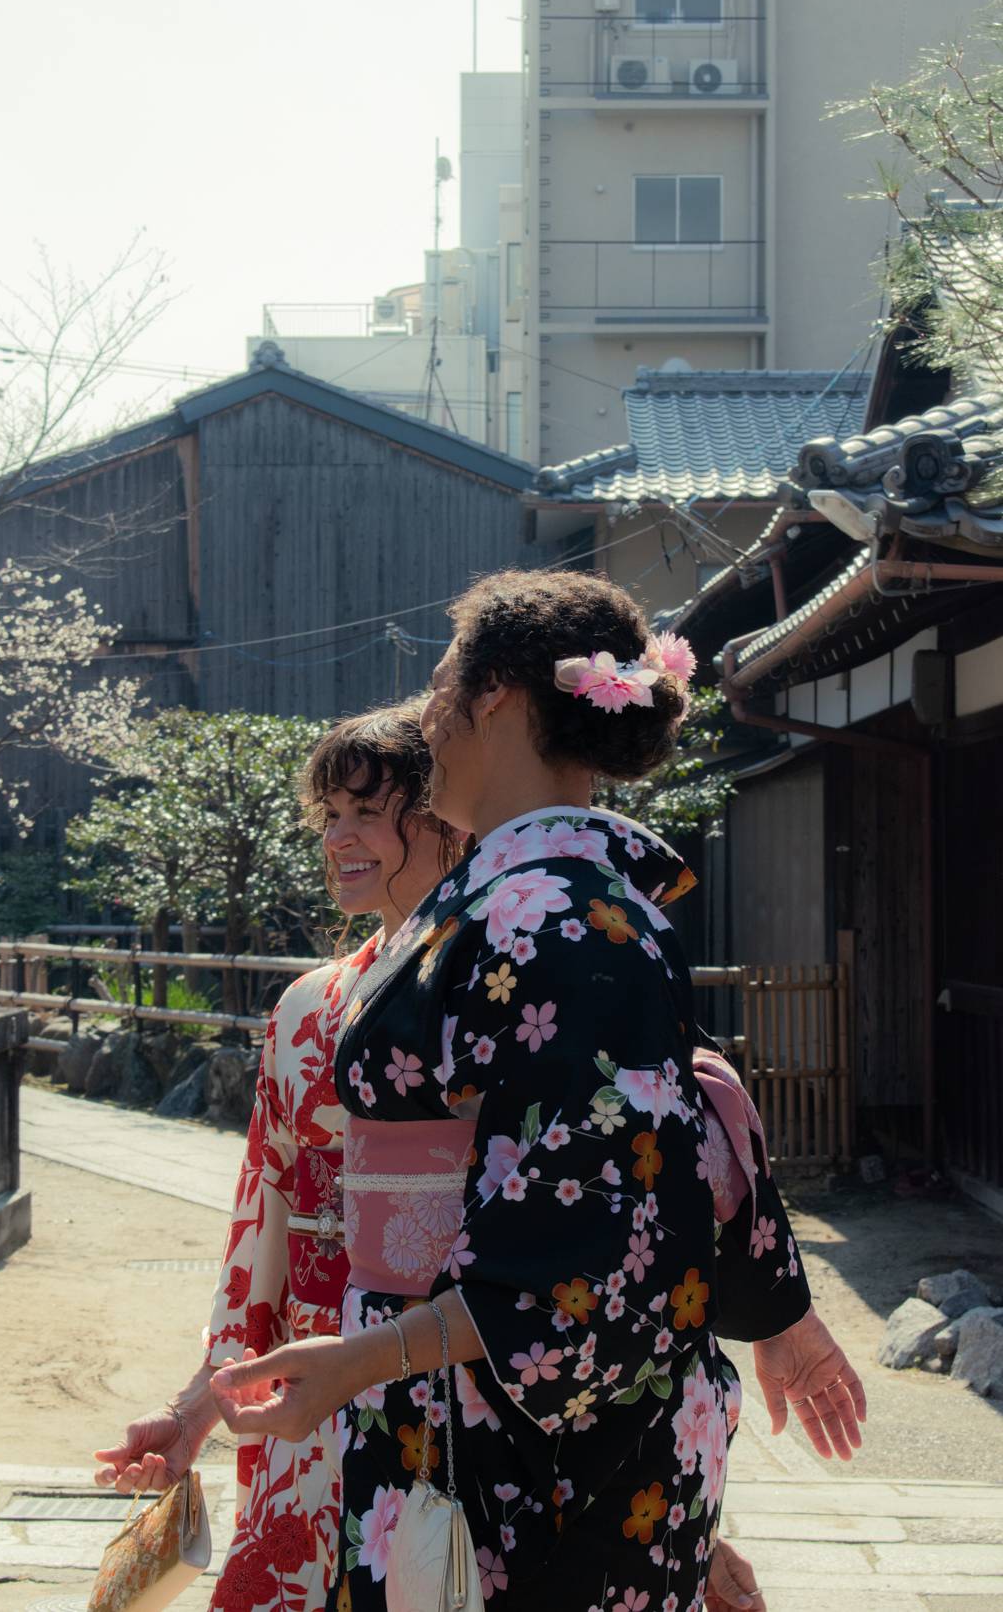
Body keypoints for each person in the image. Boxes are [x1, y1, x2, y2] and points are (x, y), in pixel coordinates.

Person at [210, 571, 866, 1612]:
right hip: (448, 1399)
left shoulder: (561, 918)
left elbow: (585, 1245)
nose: (427, 717)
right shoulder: (533, 906)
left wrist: (361, 1360)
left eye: (439, 686)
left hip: (525, 1448)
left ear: (500, 696)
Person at [92, 700, 461, 1612]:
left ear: (446, 813)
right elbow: (266, 1217)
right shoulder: (307, 1007)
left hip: (449, 1363)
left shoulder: (502, 983)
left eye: (368, 812)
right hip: (304, 1364)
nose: (340, 837)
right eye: (329, 815)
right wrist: (195, 1409)